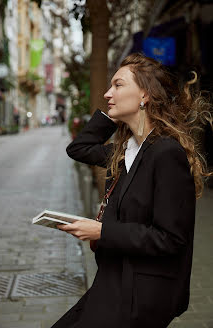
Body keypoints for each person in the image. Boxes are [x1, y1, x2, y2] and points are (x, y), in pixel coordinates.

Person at [52, 53, 213, 328]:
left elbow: (171, 239)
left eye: (118, 85)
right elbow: (78, 149)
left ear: (145, 94)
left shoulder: (166, 153)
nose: (107, 93)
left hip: (142, 292)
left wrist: (101, 231)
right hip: (115, 278)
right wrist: (115, 116)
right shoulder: (125, 152)